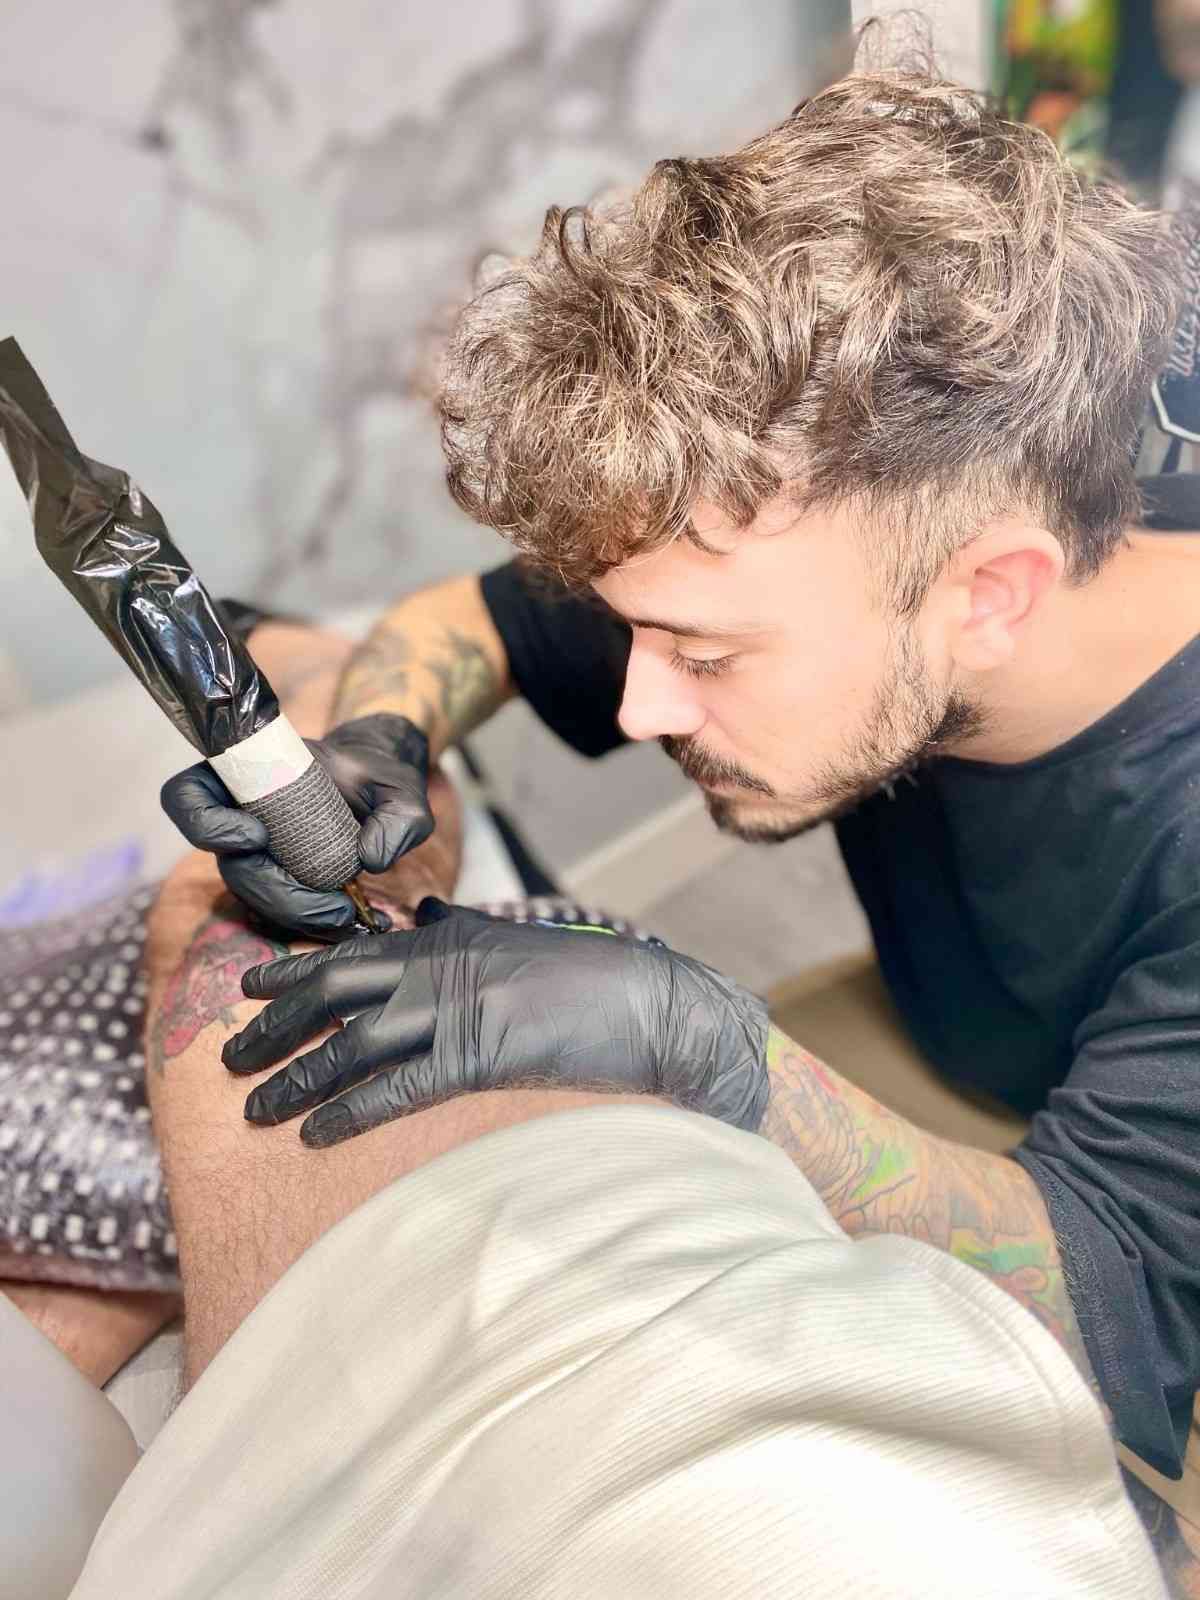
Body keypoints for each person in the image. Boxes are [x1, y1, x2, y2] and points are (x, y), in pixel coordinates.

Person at [159, 67, 1200, 1580]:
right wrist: (373, 738)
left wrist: (713, 1051)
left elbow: (1107, 1296)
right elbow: (470, 624)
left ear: (993, 593)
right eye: (643, 638)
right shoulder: (842, 537)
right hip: (977, 1035)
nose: (643, 708)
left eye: (706, 659)